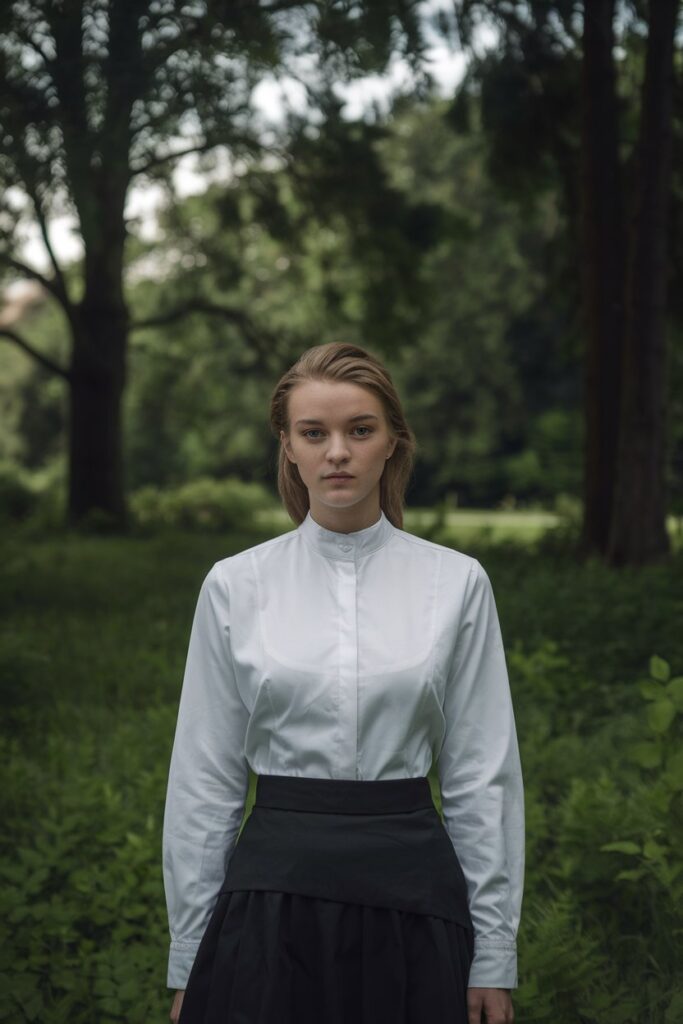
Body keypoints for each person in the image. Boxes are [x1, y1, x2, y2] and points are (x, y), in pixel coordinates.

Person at [162, 341, 525, 1024]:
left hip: (415, 904)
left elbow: (482, 775)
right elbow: (204, 782)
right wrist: (190, 957)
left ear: (392, 442)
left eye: (359, 430)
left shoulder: (456, 583)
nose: (337, 451)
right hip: (270, 908)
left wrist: (493, 955)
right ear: (287, 445)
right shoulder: (234, 586)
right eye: (314, 433)